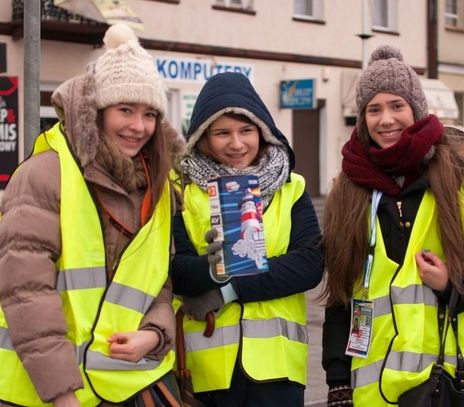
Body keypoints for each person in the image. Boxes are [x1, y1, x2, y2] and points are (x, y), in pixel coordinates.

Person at [321, 45, 464, 407]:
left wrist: (454, 284)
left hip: (452, 381)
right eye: (374, 109)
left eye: (396, 105)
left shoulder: (463, 176)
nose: (386, 119)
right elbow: (340, 297)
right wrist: (338, 381)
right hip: (376, 389)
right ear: (363, 117)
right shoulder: (348, 190)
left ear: (415, 108)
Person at [0, 23, 183, 406]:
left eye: (150, 114)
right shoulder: (44, 174)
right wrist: (62, 395)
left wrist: (154, 334)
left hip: (126, 386)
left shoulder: (158, 185)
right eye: (125, 110)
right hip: (43, 394)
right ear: (96, 111)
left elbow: (158, 284)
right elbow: (26, 294)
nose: (138, 127)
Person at [171, 72, 324, 407]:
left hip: (278, 372)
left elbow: (310, 265)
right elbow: (174, 269)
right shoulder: (181, 191)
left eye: (246, 131)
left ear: (263, 132)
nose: (236, 143)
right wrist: (209, 269)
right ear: (202, 138)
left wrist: (228, 287)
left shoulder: (291, 188)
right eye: (222, 133)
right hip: (206, 371)